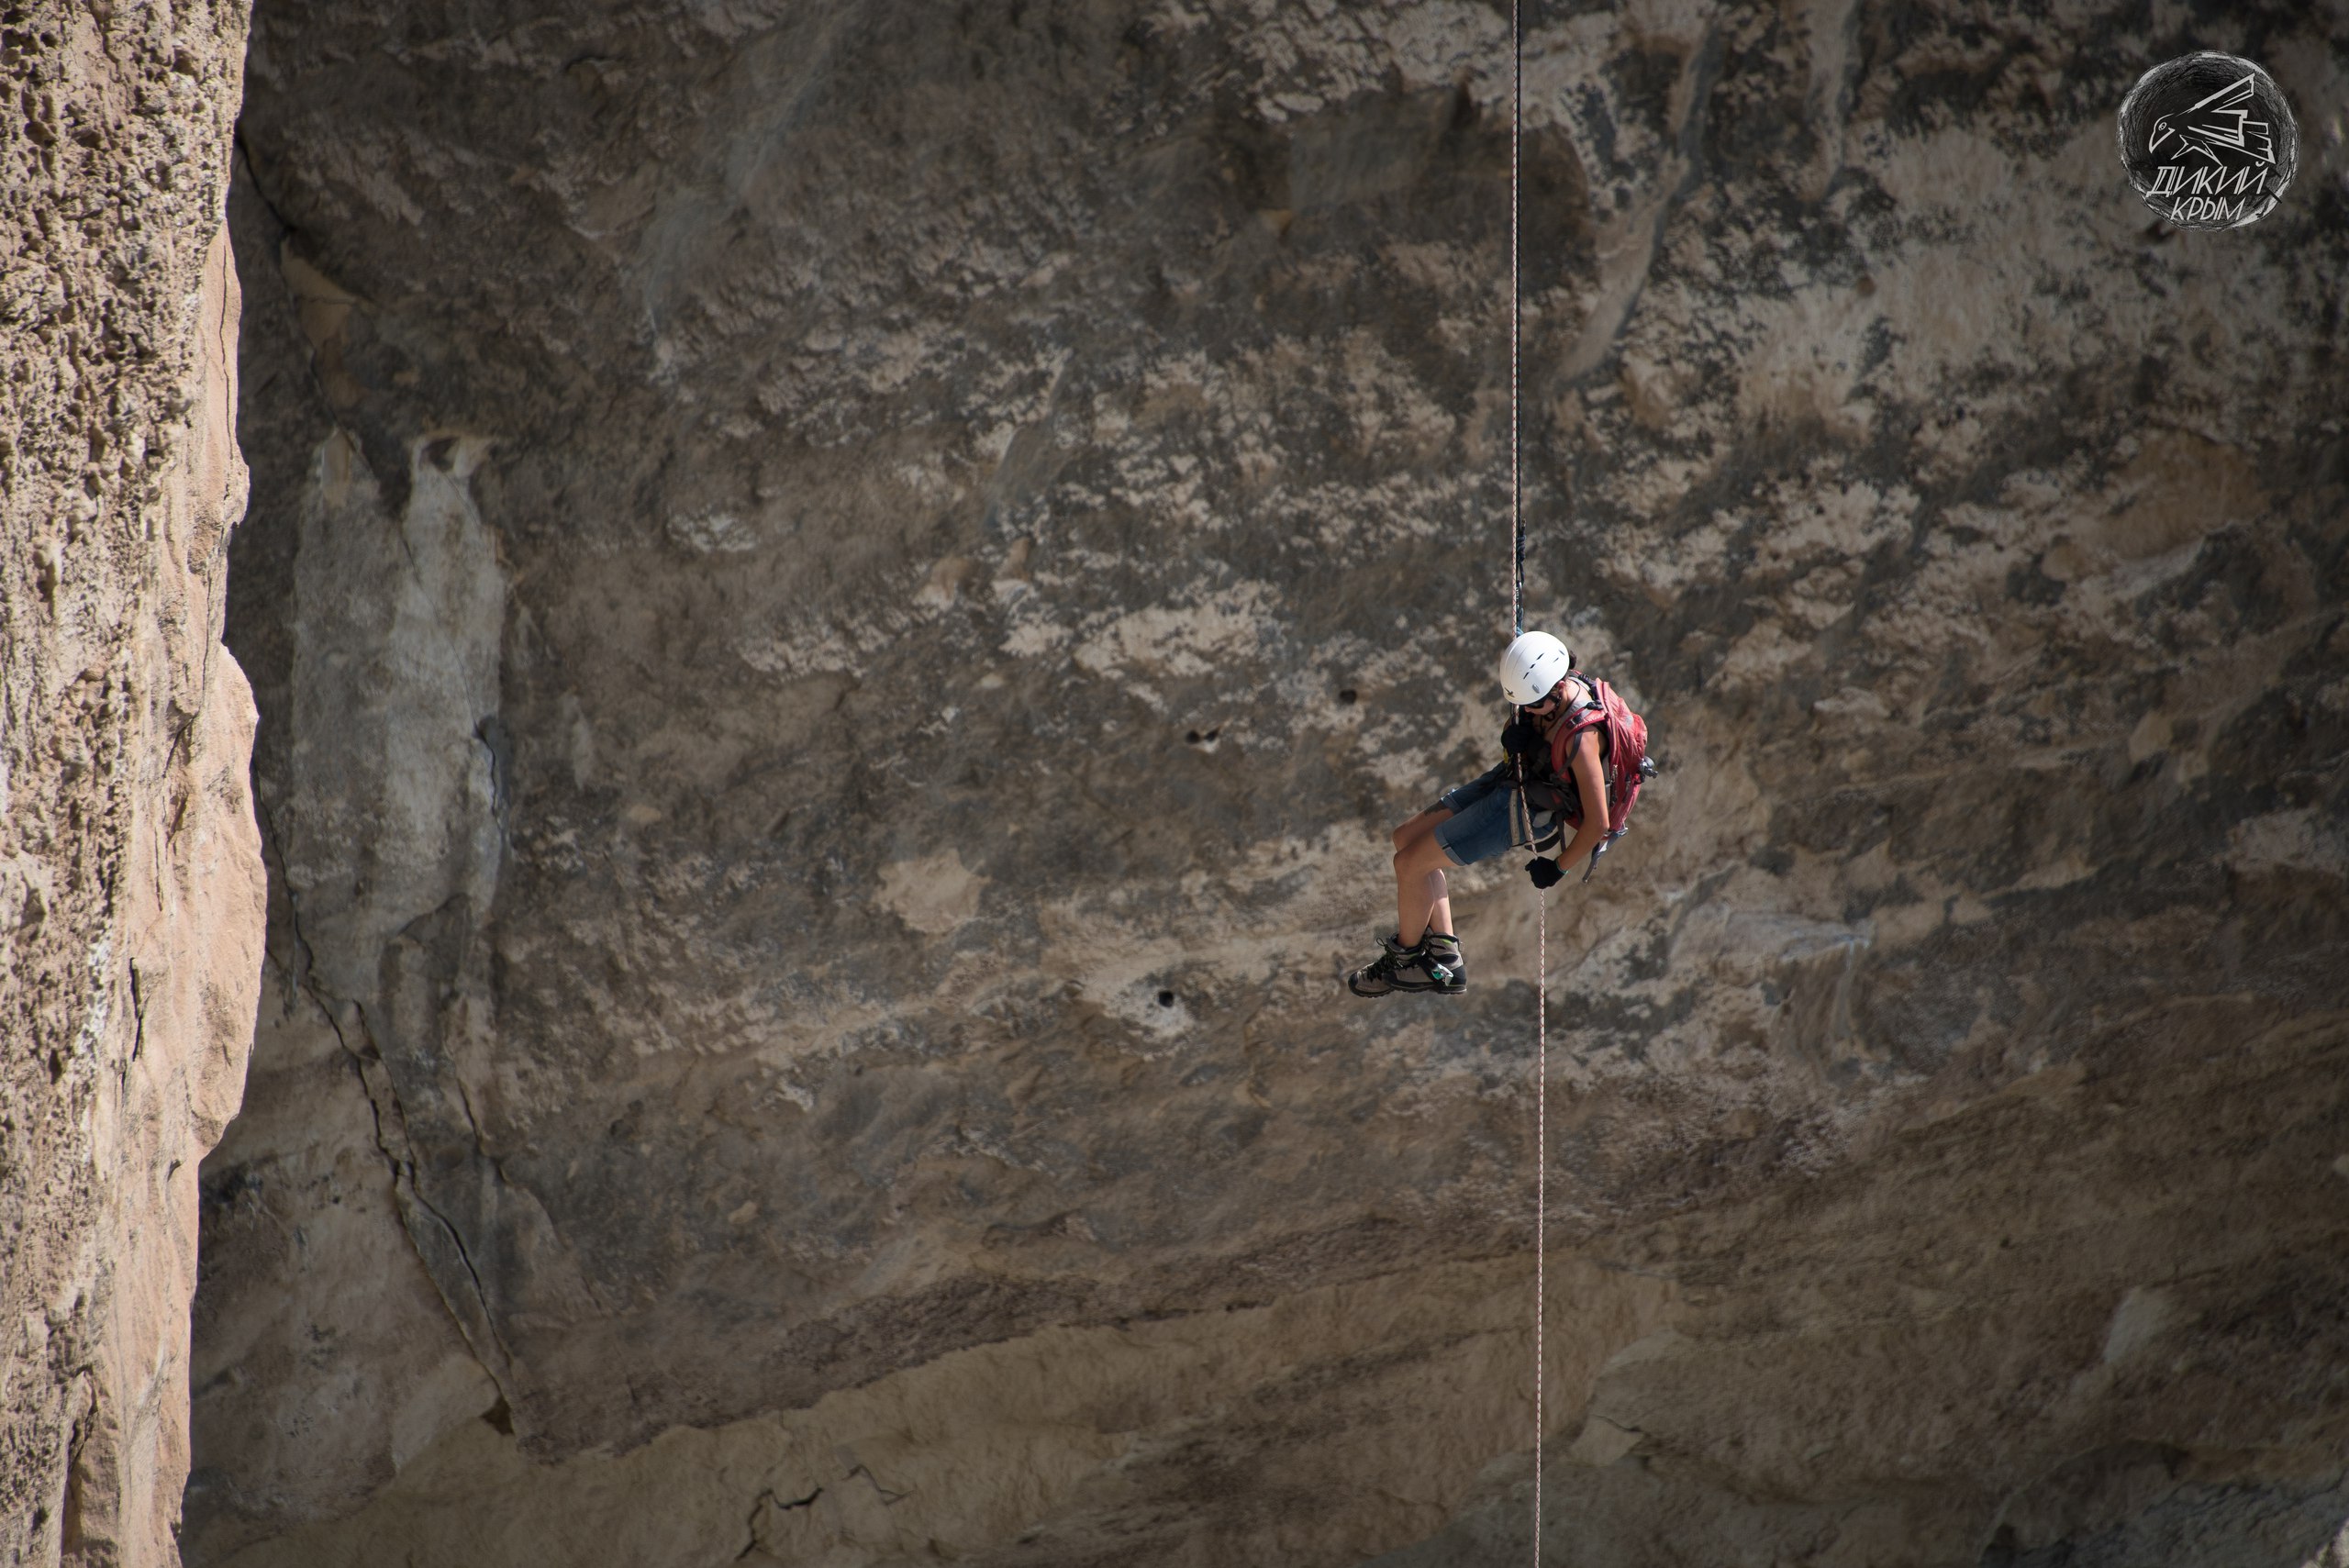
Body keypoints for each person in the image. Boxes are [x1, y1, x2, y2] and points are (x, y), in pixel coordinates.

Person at [1347, 630, 1611, 997]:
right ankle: (1444, 956)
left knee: (1409, 865)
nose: (1526, 711)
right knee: (1405, 839)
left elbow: (1599, 823)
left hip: (1518, 810)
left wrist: (1558, 867)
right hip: (1512, 780)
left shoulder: (1582, 739)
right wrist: (1515, 736)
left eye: (1532, 706)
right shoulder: (1545, 684)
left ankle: (1406, 959)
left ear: (1556, 690)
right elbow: (1524, 720)